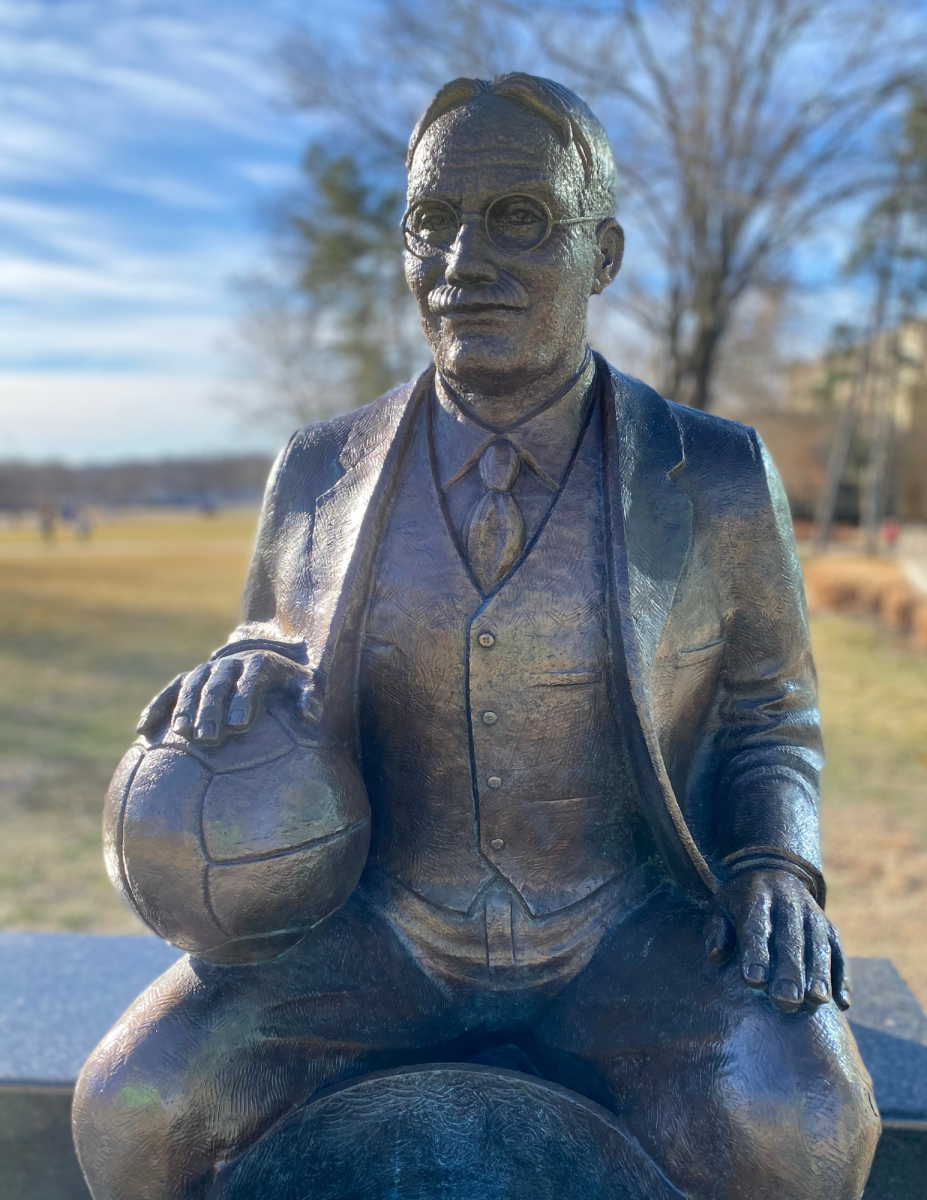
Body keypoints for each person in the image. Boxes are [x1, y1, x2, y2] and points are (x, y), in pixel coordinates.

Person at [74, 75, 879, 1200]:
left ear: (603, 255)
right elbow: (273, 645)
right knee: (133, 1107)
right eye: (431, 220)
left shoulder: (718, 475)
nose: (463, 260)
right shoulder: (317, 471)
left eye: (519, 219)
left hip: (627, 936)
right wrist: (242, 681)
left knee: (803, 1126)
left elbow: (770, 710)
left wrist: (773, 861)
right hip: (380, 935)